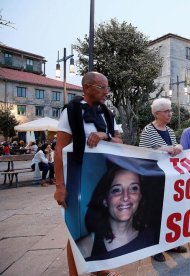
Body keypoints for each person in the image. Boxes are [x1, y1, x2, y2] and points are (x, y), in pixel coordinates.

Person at [54, 72, 123, 276]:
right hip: (78, 179)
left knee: (98, 225)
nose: (106, 92)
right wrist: (60, 186)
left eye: (107, 87)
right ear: (86, 88)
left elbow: (119, 142)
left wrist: (104, 135)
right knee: (76, 229)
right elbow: (59, 150)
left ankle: (98, 270)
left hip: (102, 178)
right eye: (102, 87)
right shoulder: (72, 111)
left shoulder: (107, 113)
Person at [139, 98, 187, 262]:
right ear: (157, 113)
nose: (170, 113)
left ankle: (170, 243)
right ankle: (155, 248)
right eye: (167, 111)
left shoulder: (171, 131)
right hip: (153, 178)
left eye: (170, 111)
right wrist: (162, 149)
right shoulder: (148, 130)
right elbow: (143, 153)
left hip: (169, 178)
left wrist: (178, 147)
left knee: (170, 211)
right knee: (154, 213)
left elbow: (174, 149)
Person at [76, 164, 156, 261]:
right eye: (116, 190)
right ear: (105, 200)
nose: (126, 197)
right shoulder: (84, 248)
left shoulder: (151, 237)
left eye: (134, 188)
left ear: (140, 197)